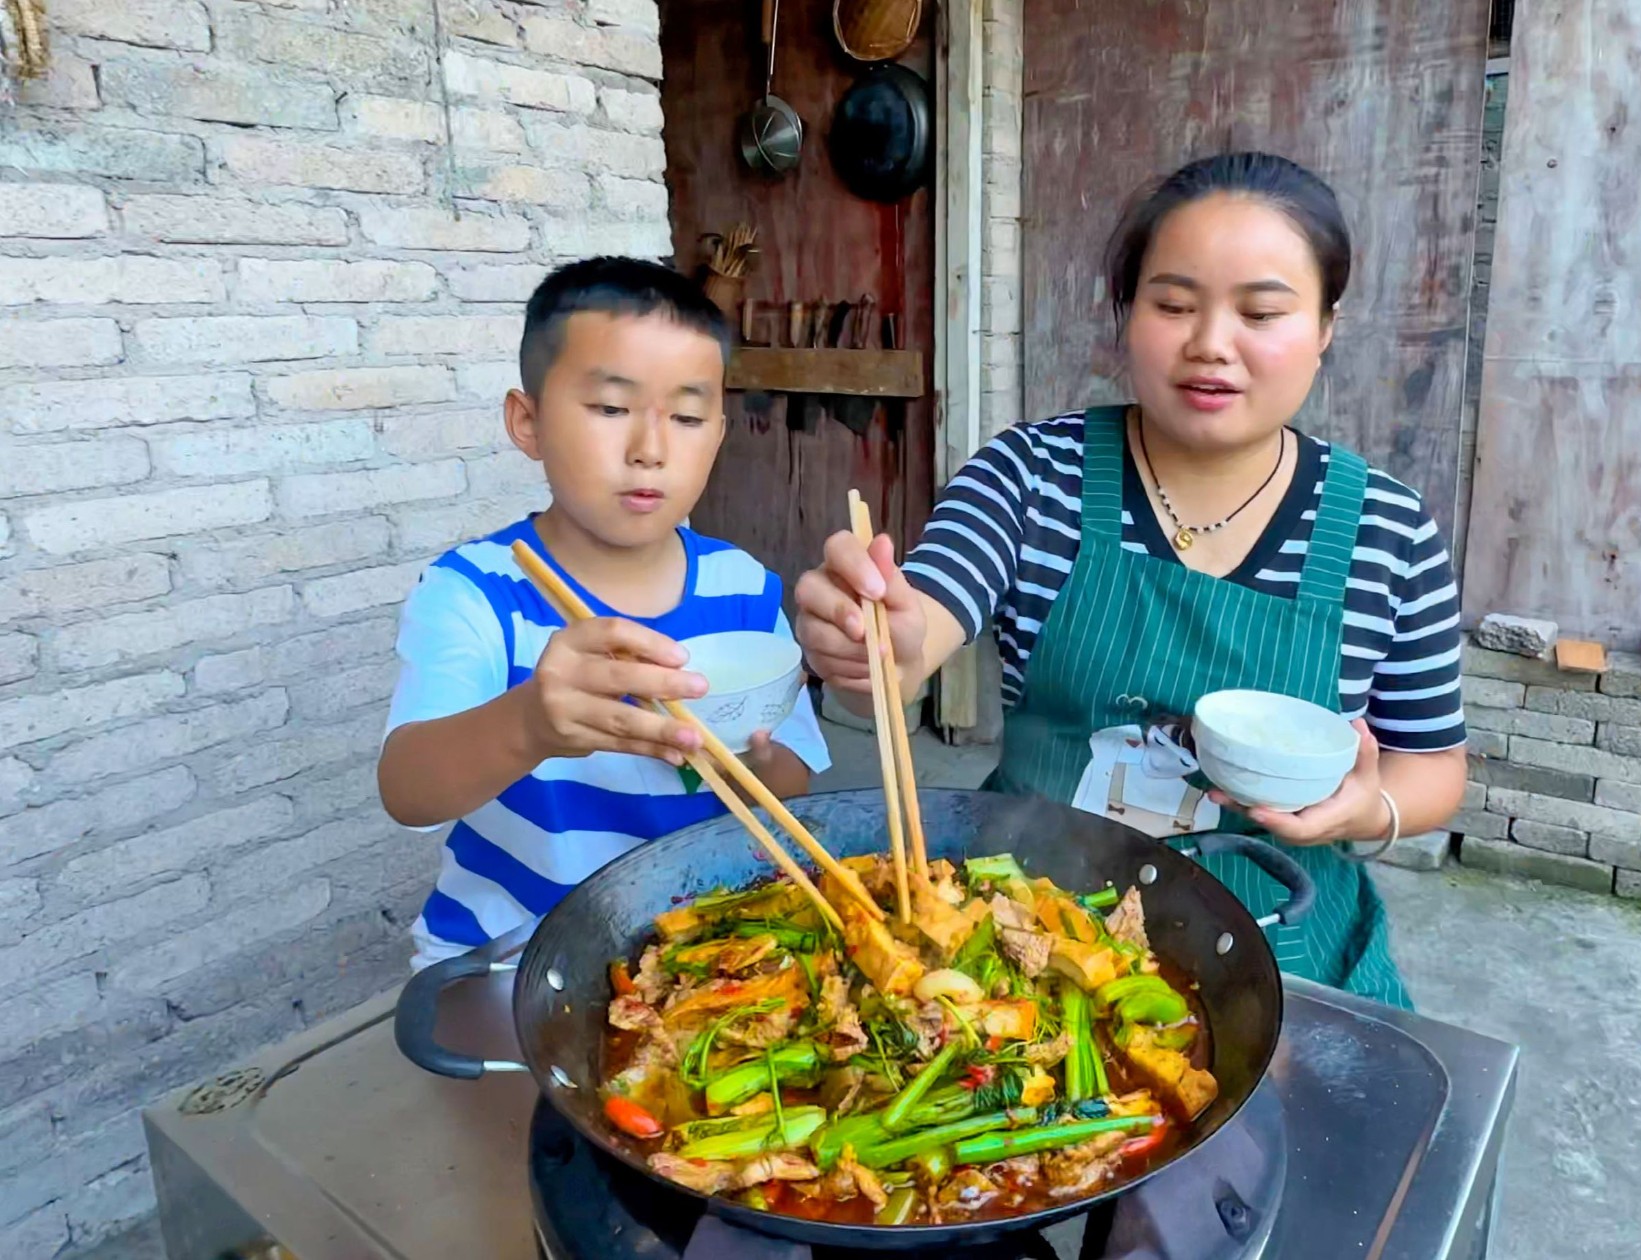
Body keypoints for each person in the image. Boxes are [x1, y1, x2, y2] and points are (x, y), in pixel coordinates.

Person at [794, 153, 1467, 1007]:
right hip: (1023, 926)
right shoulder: (1034, 476)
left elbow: (1433, 764)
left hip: (1279, 946)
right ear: (1127, 315)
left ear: (1327, 325)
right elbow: (922, 618)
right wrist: (876, 641)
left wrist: (1370, 813)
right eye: (1174, 305)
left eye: (1261, 311)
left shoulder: (1388, 529)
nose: (1211, 344)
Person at [378, 257, 829, 969]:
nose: (649, 450)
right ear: (527, 423)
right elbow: (408, 789)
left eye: (685, 417)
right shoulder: (477, 592)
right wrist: (529, 724)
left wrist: (755, 757)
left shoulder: (741, 586)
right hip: (508, 957)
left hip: (697, 955)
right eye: (612, 409)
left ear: (717, 434)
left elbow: (794, 782)